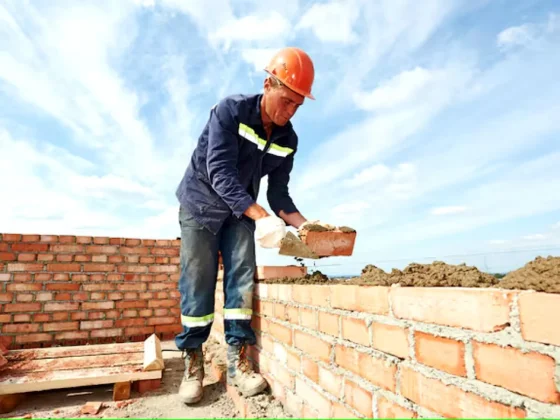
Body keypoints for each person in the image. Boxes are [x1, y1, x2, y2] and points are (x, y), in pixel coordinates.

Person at [174, 47, 323, 404]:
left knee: (241, 280)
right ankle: (193, 362)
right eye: (285, 101)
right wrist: (260, 216)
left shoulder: (288, 140)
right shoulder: (230, 111)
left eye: (297, 106)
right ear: (267, 84)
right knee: (197, 281)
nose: (289, 112)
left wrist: (310, 228)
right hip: (201, 205)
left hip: (241, 210)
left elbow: (281, 196)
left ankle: (239, 363)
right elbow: (220, 173)